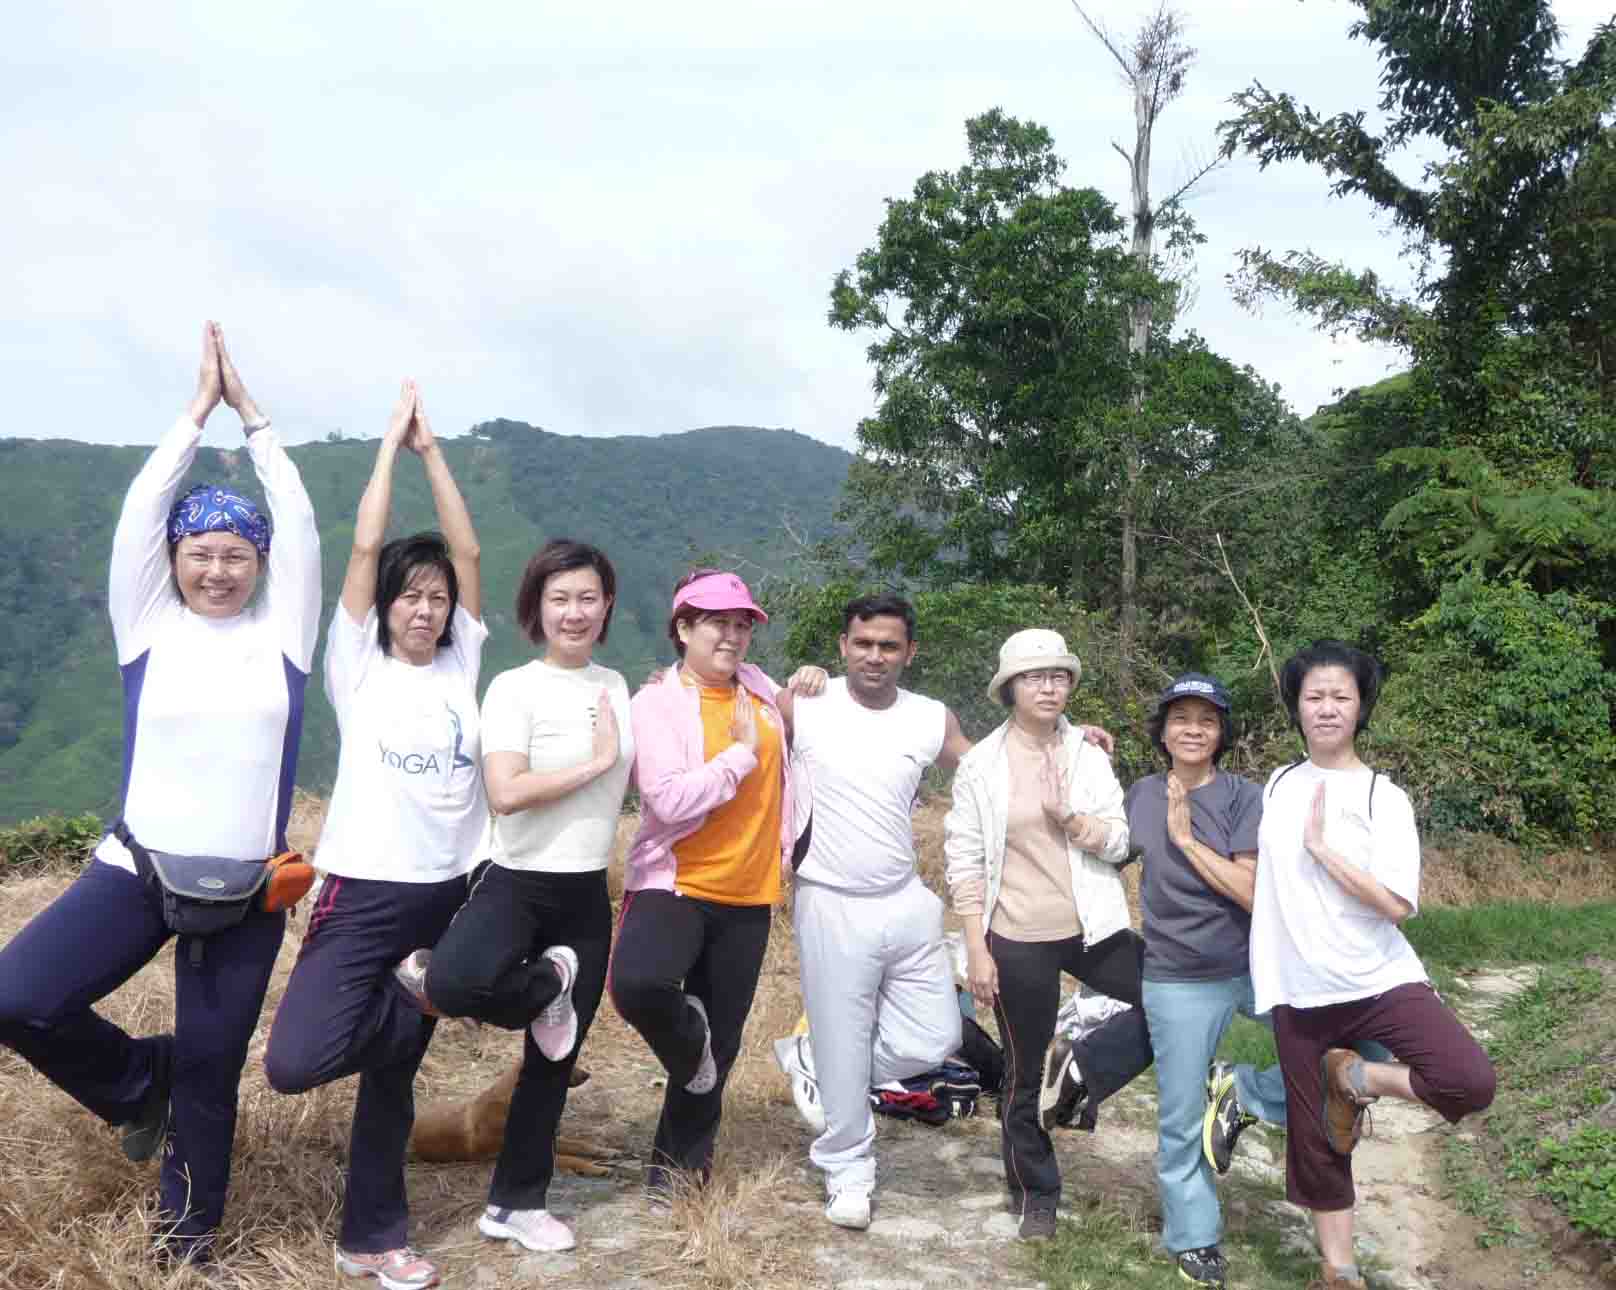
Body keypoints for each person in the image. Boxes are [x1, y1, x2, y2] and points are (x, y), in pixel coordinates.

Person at [0, 323, 319, 1266]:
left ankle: (187, 1246)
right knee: (18, 997)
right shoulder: (145, 624)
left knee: (216, 1073)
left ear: (260, 564)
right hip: (134, 869)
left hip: (249, 888)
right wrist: (192, 416)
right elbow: (142, 511)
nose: (218, 569)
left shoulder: (286, 633)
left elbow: (297, 523)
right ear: (174, 559)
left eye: (237, 554)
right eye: (201, 551)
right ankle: (140, 1079)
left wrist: (255, 420)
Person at [264, 381, 485, 1290]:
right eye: (411, 597)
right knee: (295, 1061)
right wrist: (394, 450)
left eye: (437, 598)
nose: (426, 610)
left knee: (391, 1084)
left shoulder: (466, 662)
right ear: (387, 607)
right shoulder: (357, 666)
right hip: (363, 888)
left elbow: (468, 548)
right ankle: (419, 994)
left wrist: (442, 456)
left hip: (448, 889)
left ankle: (374, 1239)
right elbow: (363, 546)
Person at [1251, 641, 1495, 1290]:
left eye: (1341, 696)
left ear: (1361, 708)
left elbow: (1394, 904)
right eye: (1313, 696)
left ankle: (1357, 1077)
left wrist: (1323, 850)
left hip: (1377, 978)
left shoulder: (1385, 796)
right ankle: (1341, 1272)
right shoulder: (1278, 782)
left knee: (1467, 1081)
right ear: (1296, 707)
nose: (1327, 708)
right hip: (1298, 987)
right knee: (1318, 1141)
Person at [420, 539, 632, 1258]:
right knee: (451, 982)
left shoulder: (617, 686)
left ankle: (516, 1205)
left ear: (607, 607)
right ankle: (552, 983)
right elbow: (506, 794)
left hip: (585, 892)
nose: (574, 612)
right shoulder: (514, 687)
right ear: (536, 609)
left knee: (551, 1063)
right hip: (517, 881)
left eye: (588, 598)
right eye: (559, 599)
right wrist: (599, 760)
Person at [608, 569, 810, 1202]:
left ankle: (678, 1172)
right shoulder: (656, 703)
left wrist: (810, 687)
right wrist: (738, 758)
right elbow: (666, 800)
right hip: (677, 881)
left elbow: (807, 737)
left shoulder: (759, 689)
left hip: (749, 892)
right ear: (684, 628)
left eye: (742, 623)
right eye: (718, 622)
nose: (733, 634)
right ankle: (686, 1037)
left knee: (721, 1040)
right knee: (638, 985)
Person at [943, 629, 1146, 1242]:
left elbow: (1121, 839)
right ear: (1010, 688)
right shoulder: (982, 764)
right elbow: (966, 860)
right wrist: (977, 947)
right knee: (1022, 1071)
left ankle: (1084, 1070)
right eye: (1034, 676)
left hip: (1095, 926)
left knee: (1172, 999)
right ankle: (1035, 1191)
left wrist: (1080, 825)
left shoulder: (1089, 753)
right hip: (1017, 936)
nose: (1048, 686)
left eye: (1058, 676)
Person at [1127, 673, 1278, 1289]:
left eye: (1207, 720)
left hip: (1255, 967)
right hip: (1176, 977)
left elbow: (1251, 889)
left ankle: (1245, 1093)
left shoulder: (1245, 796)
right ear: (1162, 731)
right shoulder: (1138, 795)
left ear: (1222, 735)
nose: (1193, 729)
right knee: (1181, 1116)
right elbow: (1097, 845)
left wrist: (1186, 841)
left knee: (1339, 1054)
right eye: (1180, 717)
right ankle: (1194, 1237)